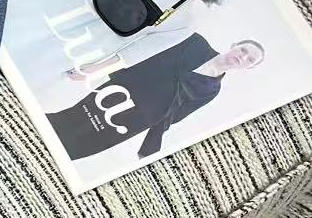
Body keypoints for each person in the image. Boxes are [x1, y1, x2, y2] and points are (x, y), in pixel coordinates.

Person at [46, 33, 263, 160]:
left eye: (250, 60)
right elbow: (143, 52)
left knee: (85, 144)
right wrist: (96, 69)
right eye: (243, 50)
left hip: (138, 119)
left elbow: (176, 116)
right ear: (235, 46)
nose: (243, 57)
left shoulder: (212, 90)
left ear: (249, 68)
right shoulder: (195, 42)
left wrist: (151, 143)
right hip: (122, 90)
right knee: (71, 118)